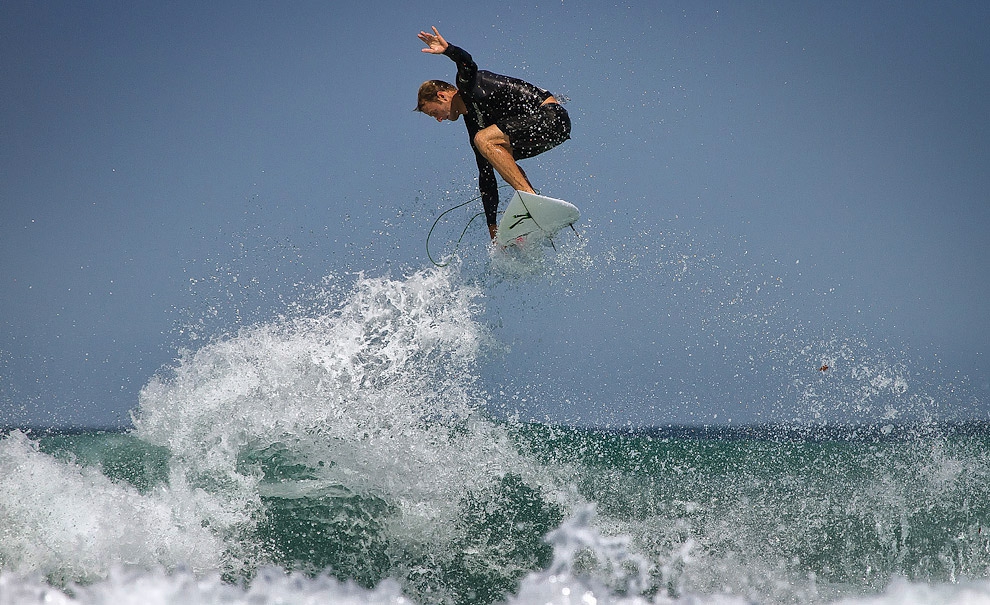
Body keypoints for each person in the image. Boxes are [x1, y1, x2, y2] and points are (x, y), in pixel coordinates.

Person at [416, 26, 571, 241]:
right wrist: (492, 225)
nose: (439, 119)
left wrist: (448, 49)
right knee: (496, 154)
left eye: (435, 113)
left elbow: (467, 63)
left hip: (550, 117)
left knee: (485, 141)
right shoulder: (476, 126)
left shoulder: (467, 85)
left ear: (442, 96)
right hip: (547, 131)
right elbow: (486, 177)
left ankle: (532, 202)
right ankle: (536, 216)